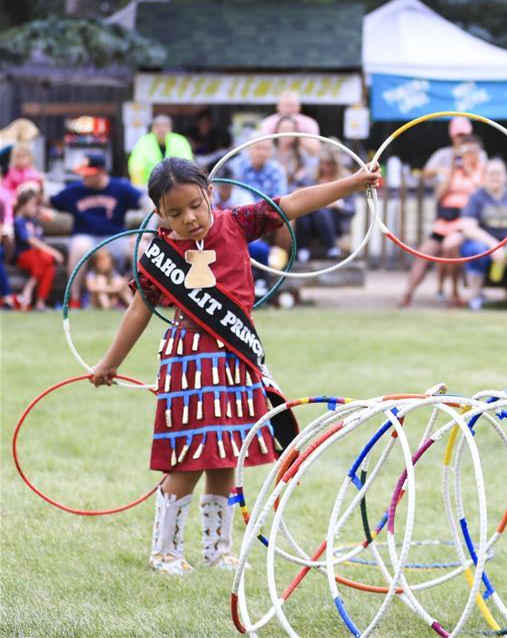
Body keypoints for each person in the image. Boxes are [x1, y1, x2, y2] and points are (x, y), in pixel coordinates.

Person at [89, 156, 379, 574]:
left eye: (194, 205)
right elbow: (138, 311)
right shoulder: (160, 255)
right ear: (158, 215)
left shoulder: (238, 223)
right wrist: (108, 363)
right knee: (189, 457)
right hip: (189, 361)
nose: (188, 219)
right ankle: (165, 551)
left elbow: (295, 202)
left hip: (236, 359)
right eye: (174, 213)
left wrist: (352, 183)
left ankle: (217, 549)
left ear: (210, 194)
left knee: (226, 456)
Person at [49, 154, 147, 308]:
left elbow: (148, 203)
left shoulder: (120, 187)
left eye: (89, 174)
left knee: (140, 248)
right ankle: (74, 300)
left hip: (115, 237)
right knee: (79, 246)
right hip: (85, 236)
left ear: (101, 172)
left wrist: (145, 232)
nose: (85, 177)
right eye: (84, 174)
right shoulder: (74, 190)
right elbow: (48, 202)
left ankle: (142, 298)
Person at [399, 134, 485, 307]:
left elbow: (481, 195)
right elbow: (440, 194)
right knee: (423, 252)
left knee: (450, 248)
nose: (469, 155)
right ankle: (408, 293)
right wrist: (453, 172)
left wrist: (469, 172)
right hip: (444, 222)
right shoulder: (453, 171)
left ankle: (453, 292)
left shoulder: (482, 170)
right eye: (465, 151)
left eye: (472, 151)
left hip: (465, 224)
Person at [459, 159, 507, 311]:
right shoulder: (476, 197)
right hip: (485, 243)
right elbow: (468, 228)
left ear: (506, 176)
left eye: (499, 173)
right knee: (476, 251)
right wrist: (494, 246)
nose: (495, 177)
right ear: (484, 176)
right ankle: (476, 298)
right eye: (491, 173)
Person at [295, 146, 357, 261]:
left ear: (336, 164)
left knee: (322, 210)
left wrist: (340, 205)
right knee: (304, 213)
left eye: (329, 163)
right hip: (309, 222)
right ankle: (303, 249)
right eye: (322, 163)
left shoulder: (345, 180)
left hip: (334, 224)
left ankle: (331, 247)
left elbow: (352, 210)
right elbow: (294, 190)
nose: (325, 167)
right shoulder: (310, 178)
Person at [13, 187, 63, 311]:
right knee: (48, 258)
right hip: (25, 255)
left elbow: (51, 216)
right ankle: (29, 288)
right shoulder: (19, 221)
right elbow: (31, 241)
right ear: (23, 205)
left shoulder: (34, 219)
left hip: (39, 257)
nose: (35, 208)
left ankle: (40, 302)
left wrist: (40, 210)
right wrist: (54, 252)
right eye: (33, 205)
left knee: (50, 268)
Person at [129, 115, 194, 186]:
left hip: (176, 185)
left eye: (165, 125)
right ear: (152, 128)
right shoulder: (143, 142)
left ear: (170, 128)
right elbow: (135, 167)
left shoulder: (180, 141)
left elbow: (188, 164)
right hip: (149, 186)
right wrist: (139, 187)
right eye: (158, 126)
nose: (161, 129)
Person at [259, 91, 321, 156]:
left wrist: (296, 136)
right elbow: (260, 144)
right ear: (278, 106)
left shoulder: (309, 123)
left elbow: (316, 149)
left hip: (301, 161)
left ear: (299, 107)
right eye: (285, 105)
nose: (288, 109)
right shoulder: (268, 122)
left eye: (291, 105)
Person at [273, 115, 314, 188]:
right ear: (277, 130)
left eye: (291, 130)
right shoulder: (269, 152)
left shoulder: (301, 154)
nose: (288, 133)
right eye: (284, 129)